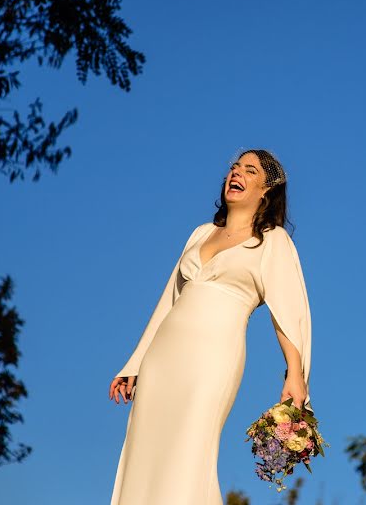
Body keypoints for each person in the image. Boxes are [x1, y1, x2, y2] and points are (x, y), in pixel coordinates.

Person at [108, 148, 313, 505]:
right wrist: (136, 363)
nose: (237, 172)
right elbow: (168, 301)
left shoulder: (272, 240)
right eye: (235, 167)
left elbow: (289, 312)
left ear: (265, 190)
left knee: (190, 451)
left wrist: (295, 375)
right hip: (162, 358)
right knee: (145, 449)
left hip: (213, 356)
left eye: (250, 170)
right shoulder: (201, 234)